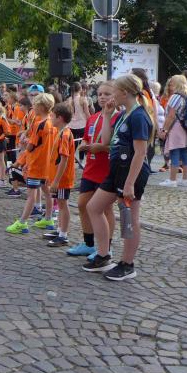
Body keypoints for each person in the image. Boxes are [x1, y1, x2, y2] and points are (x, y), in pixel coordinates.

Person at [84, 74, 154, 281]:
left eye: (113, 91)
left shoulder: (139, 116)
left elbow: (140, 153)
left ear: (124, 92)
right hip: (116, 170)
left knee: (129, 219)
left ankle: (127, 264)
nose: (111, 95)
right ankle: (103, 256)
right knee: (93, 207)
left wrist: (130, 183)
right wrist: (107, 115)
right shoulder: (124, 114)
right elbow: (107, 140)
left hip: (131, 173)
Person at [67, 82, 118, 258]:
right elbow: (87, 138)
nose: (102, 97)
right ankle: (88, 244)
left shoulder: (118, 118)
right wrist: (84, 145)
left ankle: (106, 247)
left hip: (107, 170)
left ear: (115, 96)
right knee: (82, 205)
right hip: (91, 168)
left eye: (107, 94)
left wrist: (101, 148)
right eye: (100, 94)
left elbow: (117, 147)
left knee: (105, 209)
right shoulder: (93, 117)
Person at [6, 93, 56, 234]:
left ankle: (22, 223)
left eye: (35, 104)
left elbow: (31, 147)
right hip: (47, 165)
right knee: (47, 192)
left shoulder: (40, 124)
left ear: (41, 107)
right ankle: (48, 219)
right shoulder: (52, 123)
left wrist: (19, 162)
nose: (33, 107)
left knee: (31, 195)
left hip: (36, 164)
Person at [44, 103, 75, 247]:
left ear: (60, 118)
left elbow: (64, 159)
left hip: (62, 179)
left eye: (52, 116)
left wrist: (56, 181)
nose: (50, 118)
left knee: (62, 204)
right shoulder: (60, 132)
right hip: (58, 178)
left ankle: (63, 234)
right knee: (61, 203)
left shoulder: (65, 134)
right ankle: (59, 230)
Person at [159, 75, 187, 187]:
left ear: (177, 83)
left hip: (176, 127)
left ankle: (172, 180)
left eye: (172, 83)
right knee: (185, 154)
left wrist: (164, 130)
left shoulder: (176, 96)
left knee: (174, 152)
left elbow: (171, 116)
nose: (170, 85)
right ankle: (185, 180)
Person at [68, 82, 91, 163]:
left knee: (73, 143)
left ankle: (71, 159)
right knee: (82, 143)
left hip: (71, 125)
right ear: (80, 89)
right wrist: (91, 121)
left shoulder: (69, 99)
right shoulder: (83, 99)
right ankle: (81, 161)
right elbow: (87, 113)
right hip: (82, 125)